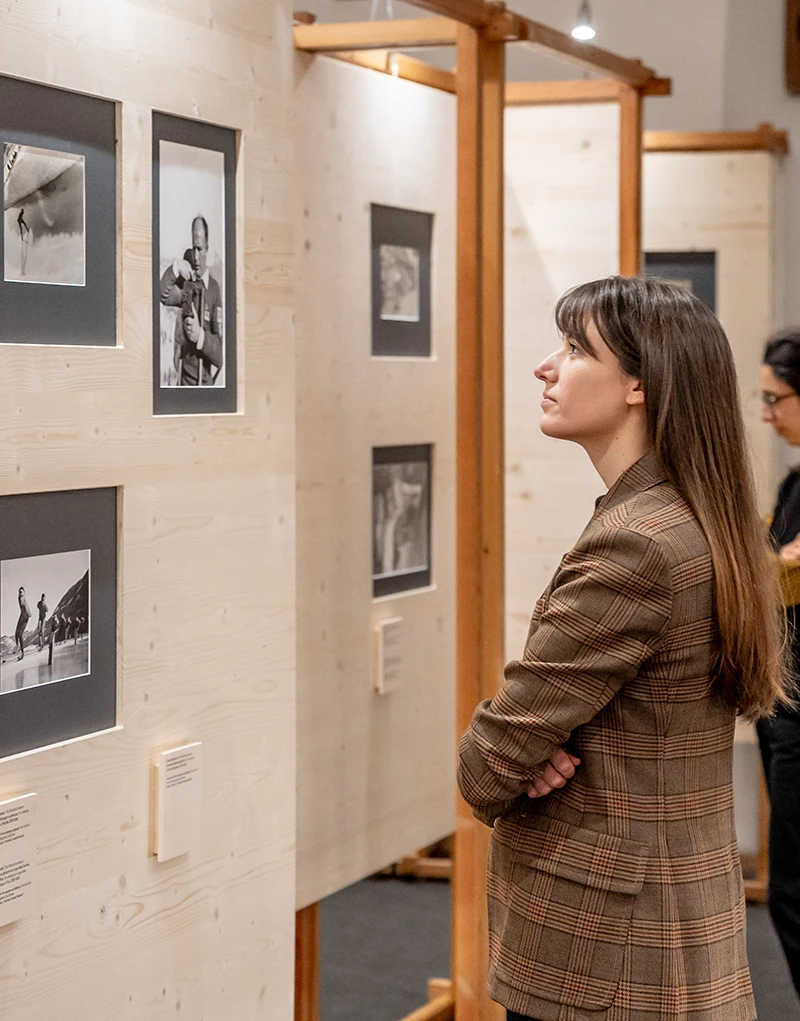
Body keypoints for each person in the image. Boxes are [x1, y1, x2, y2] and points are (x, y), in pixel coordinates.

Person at [458, 276, 788, 1021]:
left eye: (575, 349)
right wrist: (533, 743)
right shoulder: (692, 516)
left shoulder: (634, 543)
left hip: (606, 954)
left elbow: (484, 766)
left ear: (640, 383)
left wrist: (521, 746)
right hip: (675, 925)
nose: (547, 366)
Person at [757, 329, 800, 999]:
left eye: (775, 398)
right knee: (787, 892)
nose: (765, 413)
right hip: (784, 705)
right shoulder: (795, 480)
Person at [159, 215, 223, 386]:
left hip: (204, 387)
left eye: (200, 249)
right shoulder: (187, 284)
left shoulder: (215, 289)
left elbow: (220, 356)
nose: (195, 257)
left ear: (207, 250)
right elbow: (163, 295)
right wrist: (175, 268)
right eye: (193, 248)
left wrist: (199, 335)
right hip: (183, 382)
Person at [14, 587, 31, 661]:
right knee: (16, 632)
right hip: (21, 616)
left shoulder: (24, 602)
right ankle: (17, 645)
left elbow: (30, 614)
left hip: (25, 618)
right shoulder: (19, 598)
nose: (20, 593)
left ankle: (22, 653)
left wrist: (26, 616)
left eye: (21, 592)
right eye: (19, 592)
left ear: (24, 593)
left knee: (20, 634)